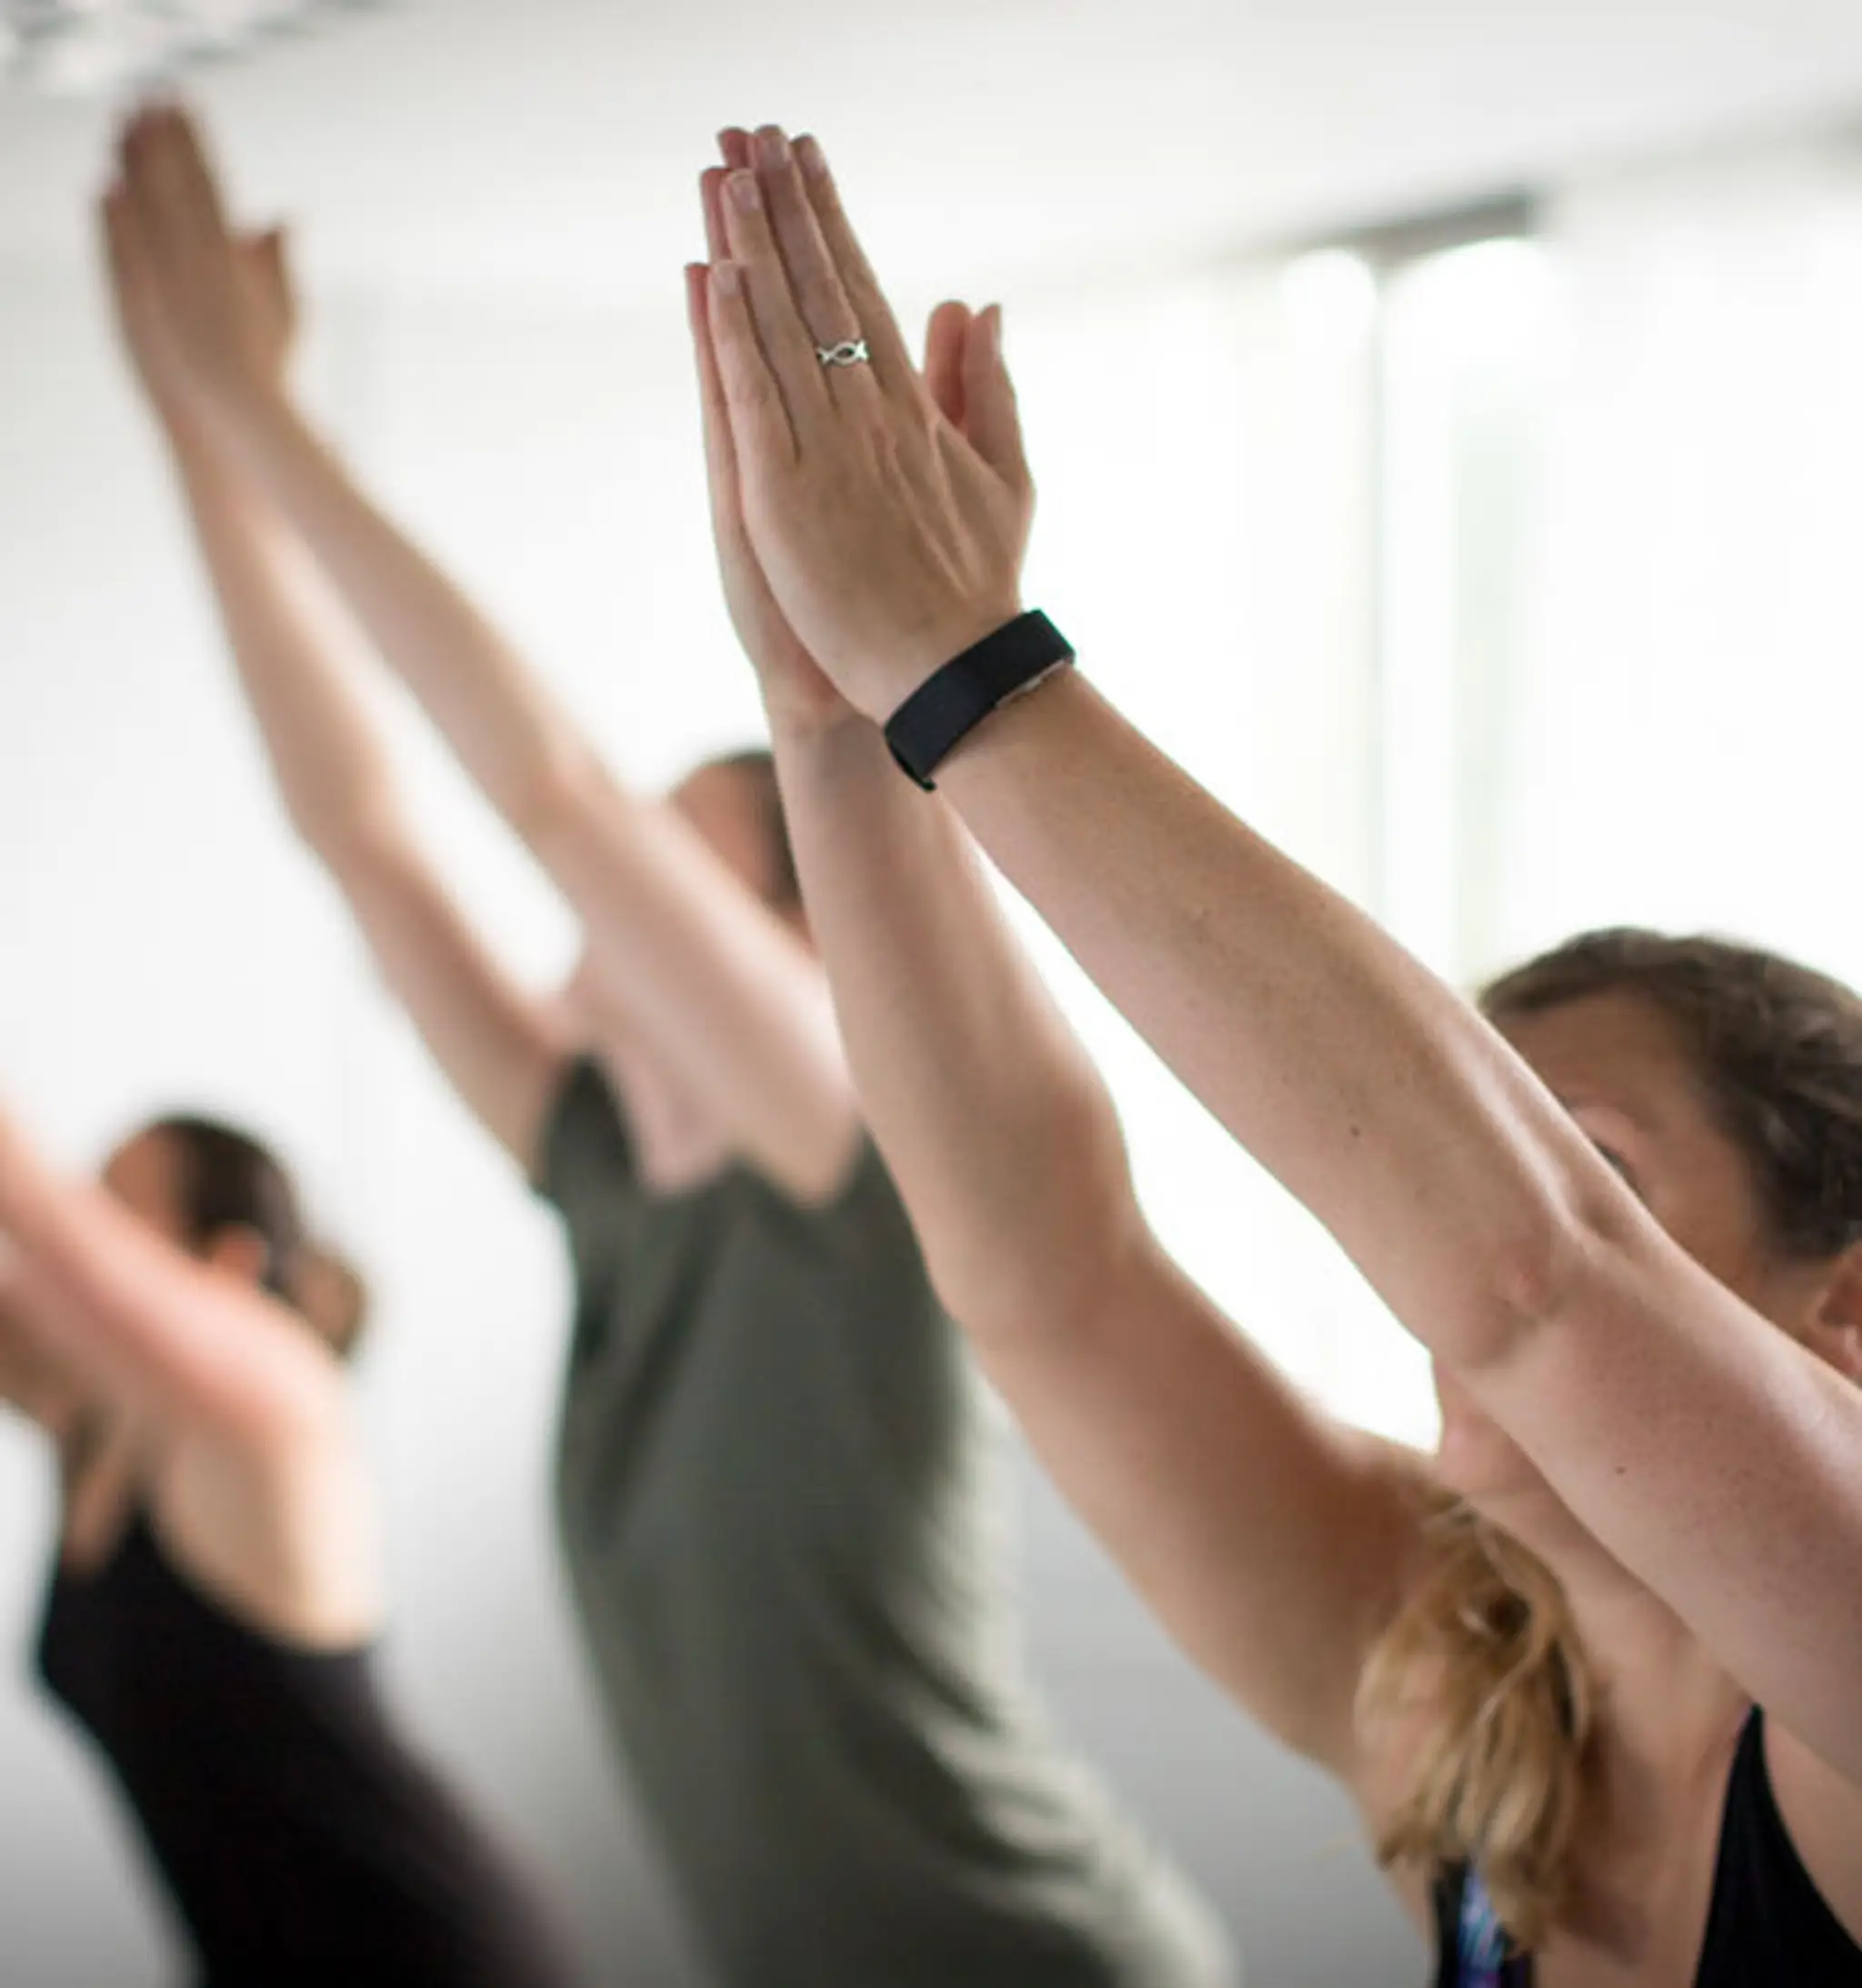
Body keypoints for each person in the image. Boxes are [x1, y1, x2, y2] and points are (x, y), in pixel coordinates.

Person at [684, 122, 1862, 1983]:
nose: (1419, 1257)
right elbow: (1043, 1268)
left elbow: (1525, 1274)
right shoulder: (1435, 1695)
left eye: (1605, 1171)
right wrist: (830, 717)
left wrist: (966, 661)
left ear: (1841, 1309)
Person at [104, 103, 1236, 1988]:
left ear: (792, 948)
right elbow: (362, 830)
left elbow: (538, 789)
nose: (597, 929)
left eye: (664, 890)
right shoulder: (606, 1176)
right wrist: (201, 429)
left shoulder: (851, 1152)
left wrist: (266, 407)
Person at [0, 1104, 579, 1987]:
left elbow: (41, 1222)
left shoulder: (280, 1405)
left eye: (111, 1207)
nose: (80, 1222)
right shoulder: (95, 1426)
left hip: (424, 1955)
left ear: (228, 1267)